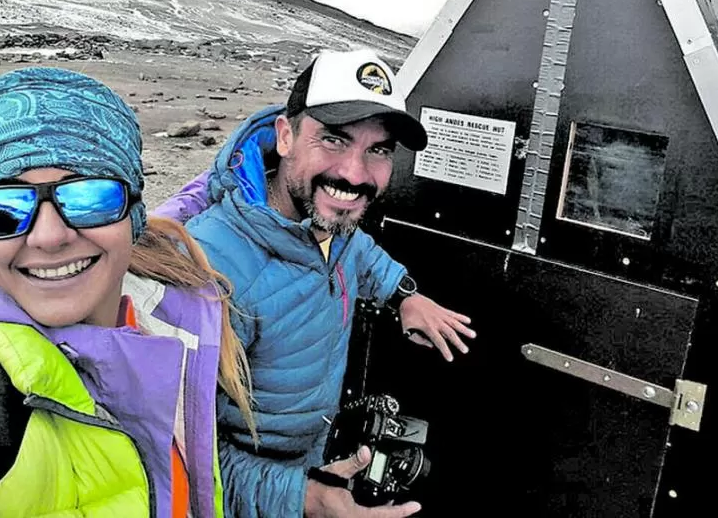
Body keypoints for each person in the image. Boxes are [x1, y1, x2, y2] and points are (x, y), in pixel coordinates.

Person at [0, 67, 255, 518]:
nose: (49, 236)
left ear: (135, 214)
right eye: (5, 208)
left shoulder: (169, 318)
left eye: (90, 197)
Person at [154, 48, 477, 518]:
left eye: (378, 150)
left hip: (313, 458)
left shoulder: (326, 222)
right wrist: (304, 499)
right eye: (333, 139)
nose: (354, 174)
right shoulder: (208, 272)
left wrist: (404, 295)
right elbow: (175, 453)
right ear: (285, 136)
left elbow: (357, 251)